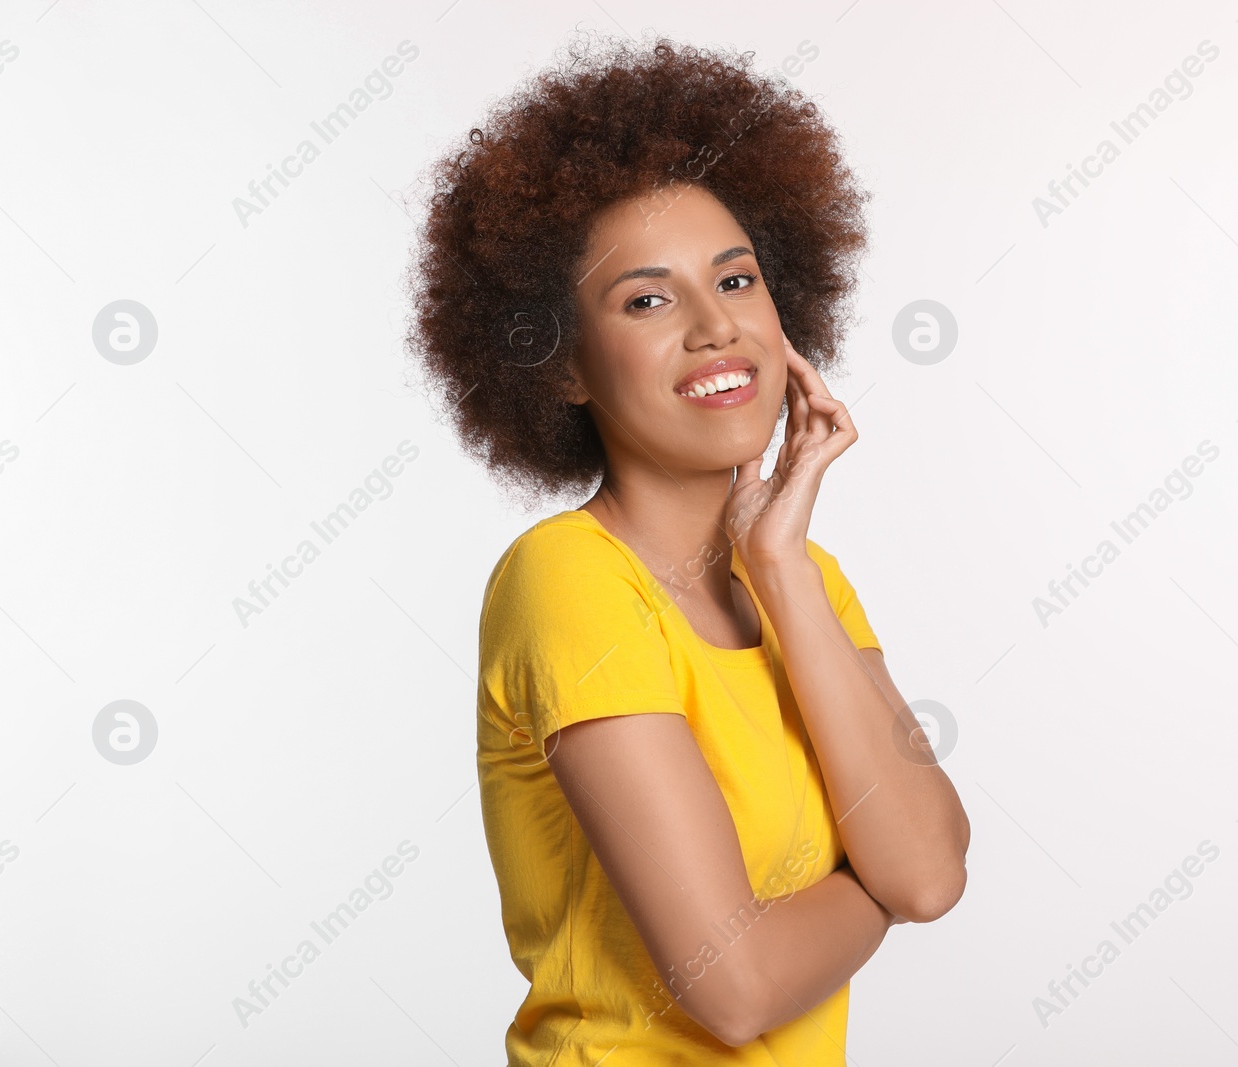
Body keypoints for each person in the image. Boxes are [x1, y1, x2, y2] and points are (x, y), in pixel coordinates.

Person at [407, 31, 971, 1065]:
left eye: (738, 280)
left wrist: (783, 571)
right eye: (647, 299)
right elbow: (736, 982)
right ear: (565, 366)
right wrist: (877, 884)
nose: (716, 328)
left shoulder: (807, 580)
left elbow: (932, 868)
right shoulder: (569, 579)